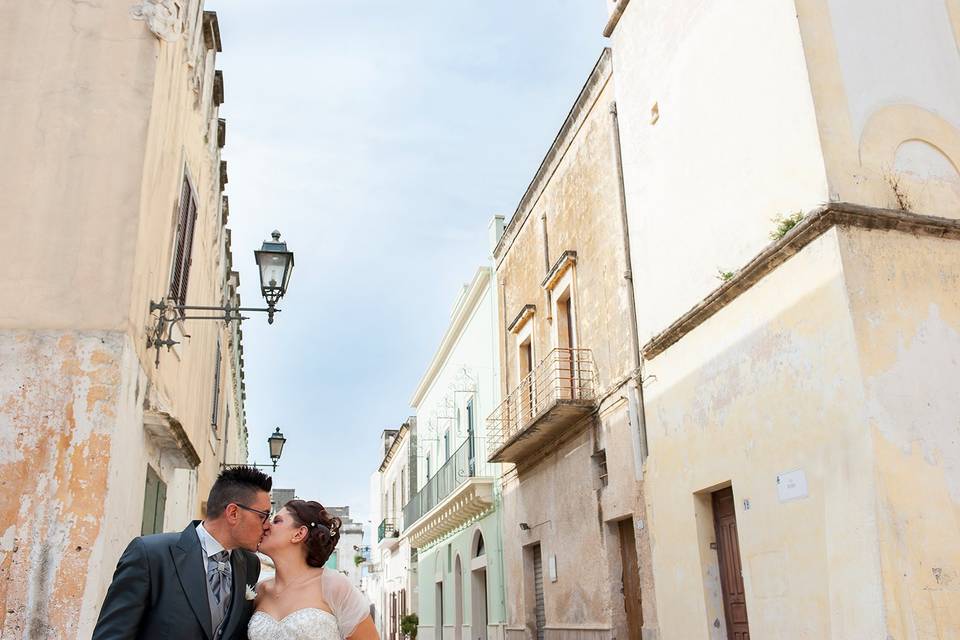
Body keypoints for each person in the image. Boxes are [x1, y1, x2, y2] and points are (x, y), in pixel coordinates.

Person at [93, 466, 274, 640]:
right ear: (233, 513)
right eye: (262, 516)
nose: (267, 525)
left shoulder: (250, 564)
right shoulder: (150, 555)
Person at [249, 500, 379, 640]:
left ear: (299, 534)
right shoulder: (259, 591)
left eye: (277, 521)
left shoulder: (334, 586)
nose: (266, 526)